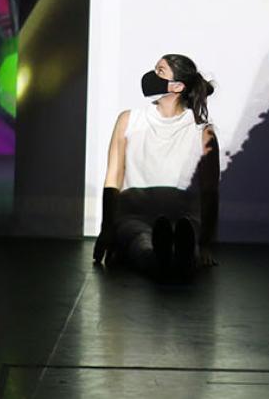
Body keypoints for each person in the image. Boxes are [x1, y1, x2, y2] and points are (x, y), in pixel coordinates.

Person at [92, 54, 220, 279]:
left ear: (178, 86)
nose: (152, 75)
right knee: (141, 242)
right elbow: (113, 178)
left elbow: (210, 190)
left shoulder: (201, 131)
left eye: (160, 71)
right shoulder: (129, 120)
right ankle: (165, 258)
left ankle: (182, 255)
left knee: (185, 240)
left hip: (184, 220)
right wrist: (107, 229)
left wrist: (206, 242)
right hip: (134, 217)